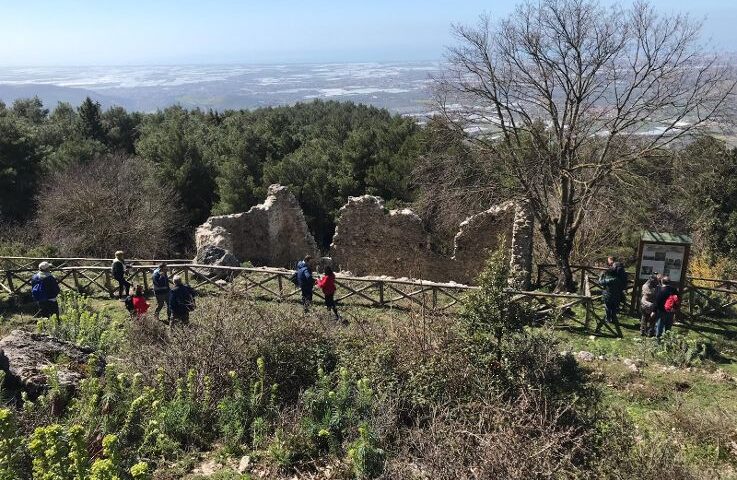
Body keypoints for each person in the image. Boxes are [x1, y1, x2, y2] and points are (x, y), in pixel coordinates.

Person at [599, 260, 625, 325]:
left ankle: (608, 319)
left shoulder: (609, 280)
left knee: (608, 307)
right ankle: (613, 319)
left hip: (608, 296)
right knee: (614, 308)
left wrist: (601, 276)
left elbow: (600, 282)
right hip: (616, 296)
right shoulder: (619, 280)